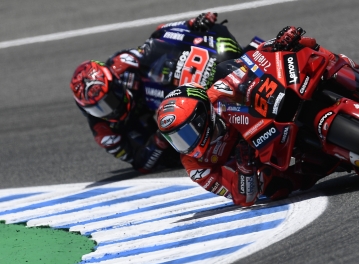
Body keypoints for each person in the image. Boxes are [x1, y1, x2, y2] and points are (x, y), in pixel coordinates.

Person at [155, 26, 359, 206]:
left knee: (309, 51)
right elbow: (242, 197)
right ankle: (330, 159)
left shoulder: (217, 94)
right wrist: (244, 168)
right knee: (275, 190)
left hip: (271, 119)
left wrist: (276, 45)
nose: (184, 145)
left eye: (185, 134)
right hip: (266, 163)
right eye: (175, 140)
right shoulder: (195, 165)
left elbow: (250, 64)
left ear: (202, 117)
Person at [70, 12, 242, 173]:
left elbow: (158, 38)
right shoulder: (104, 132)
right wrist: (158, 140)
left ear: (114, 83)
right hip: (145, 130)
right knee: (171, 155)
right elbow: (140, 163)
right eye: (98, 109)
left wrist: (191, 25)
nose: (110, 109)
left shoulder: (122, 64)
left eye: (109, 101)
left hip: (153, 97)